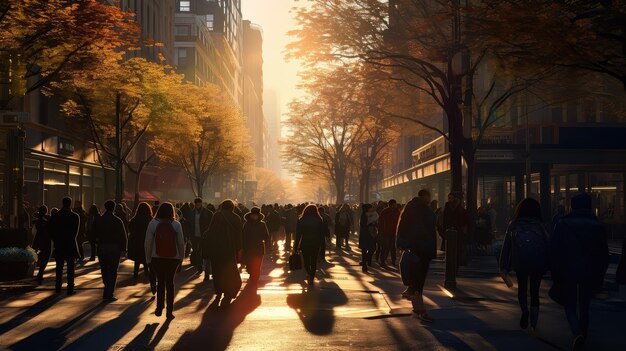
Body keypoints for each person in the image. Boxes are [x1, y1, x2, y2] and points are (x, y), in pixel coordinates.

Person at [551, 193, 609, 350]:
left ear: (572, 206)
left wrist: (555, 272)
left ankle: (577, 333)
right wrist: (600, 275)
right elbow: (603, 254)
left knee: (570, 304)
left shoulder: (563, 223)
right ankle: (583, 333)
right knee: (585, 305)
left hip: (568, 269)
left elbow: (555, 250)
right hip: (589, 270)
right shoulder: (597, 225)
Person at [499, 198, 548, 331]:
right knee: (534, 291)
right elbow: (548, 245)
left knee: (522, 289)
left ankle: (525, 311)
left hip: (520, 262)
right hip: (537, 262)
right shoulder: (540, 225)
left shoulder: (514, 225)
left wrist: (504, 266)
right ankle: (534, 323)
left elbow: (506, 247)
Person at [396, 189, 437, 322]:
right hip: (418, 247)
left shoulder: (422, 208)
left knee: (418, 281)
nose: (429, 198)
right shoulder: (416, 209)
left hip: (422, 247)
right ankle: (419, 308)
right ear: (423, 196)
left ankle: (416, 302)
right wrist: (404, 243)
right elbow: (403, 227)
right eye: (428, 196)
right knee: (418, 281)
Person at [145, 202, 185, 319]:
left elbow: (147, 242)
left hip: (156, 257)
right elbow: (181, 243)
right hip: (173, 258)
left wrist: (148, 258)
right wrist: (181, 258)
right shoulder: (176, 224)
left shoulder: (153, 223)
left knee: (160, 282)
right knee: (170, 283)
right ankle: (170, 311)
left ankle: (159, 307)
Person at [204, 199, 243, 305]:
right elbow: (239, 236)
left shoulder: (217, 216)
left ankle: (219, 291)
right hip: (229, 250)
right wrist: (239, 249)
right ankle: (228, 293)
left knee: (217, 272)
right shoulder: (236, 218)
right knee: (230, 271)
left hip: (216, 249)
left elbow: (210, 232)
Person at [94, 200, 128, 302]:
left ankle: (106, 289)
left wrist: (96, 242)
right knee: (113, 270)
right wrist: (124, 248)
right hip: (114, 247)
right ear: (113, 208)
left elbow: (93, 233)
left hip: (102, 246)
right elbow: (123, 235)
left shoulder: (99, 220)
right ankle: (109, 292)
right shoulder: (117, 220)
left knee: (104, 269)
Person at [48, 197, 80, 295]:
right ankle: (70, 287)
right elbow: (75, 232)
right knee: (70, 268)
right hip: (70, 244)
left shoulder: (55, 216)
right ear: (70, 204)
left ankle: (58, 287)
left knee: (59, 267)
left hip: (59, 244)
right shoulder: (75, 216)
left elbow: (50, 230)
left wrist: (56, 239)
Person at [295, 204, 326, 286]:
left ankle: (309, 273)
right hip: (316, 243)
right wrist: (323, 246)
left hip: (305, 243)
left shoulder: (302, 220)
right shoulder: (319, 220)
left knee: (306, 261)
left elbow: (298, 235)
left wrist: (295, 247)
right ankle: (311, 277)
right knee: (314, 261)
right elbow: (322, 234)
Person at [129, 202, 156, 292]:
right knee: (146, 257)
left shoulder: (134, 219)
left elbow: (130, 228)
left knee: (137, 258)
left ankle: (135, 273)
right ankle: (146, 273)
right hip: (147, 241)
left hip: (136, 241)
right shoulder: (150, 220)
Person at [242, 207, 270, 285]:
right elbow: (243, 236)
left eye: (256, 215)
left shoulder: (262, 224)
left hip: (259, 248)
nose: (254, 216)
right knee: (249, 265)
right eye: (253, 215)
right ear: (250, 215)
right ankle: (252, 275)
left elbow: (266, 236)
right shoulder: (246, 224)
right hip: (248, 248)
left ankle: (255, 279)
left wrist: (267, 245)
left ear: (258, 215)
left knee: (257, 265)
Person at [442, 193, 468, 265]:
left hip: (456, 233)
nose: (450, 200)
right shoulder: (449, 209)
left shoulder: (449, 208)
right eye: (449, 198)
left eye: (451, 198)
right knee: (452, 251)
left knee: (455, 251)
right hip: (452, 233)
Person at [190, 198, 212, 276]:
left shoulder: (207, 213)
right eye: (197, 204)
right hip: (195, 236)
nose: (198, 206)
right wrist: (189, 237)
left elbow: (211, 224)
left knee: (206, 253)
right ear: (195, 204)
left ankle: (207, 270)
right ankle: (199, 269)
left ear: (201, 204)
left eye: (199, 204)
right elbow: (190, 225)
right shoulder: (192, 213)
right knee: (197, 252)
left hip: (204, 236)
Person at [377, 199, 401, 267]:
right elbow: (380, 222)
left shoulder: (397, 212)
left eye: (395, 204)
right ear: (390, 205)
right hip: (386, 232)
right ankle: (383, 261)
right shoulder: (385, 212)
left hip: (394, 232)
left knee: (393, 247)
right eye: (394, 204)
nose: (395, 206)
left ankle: (393, 261)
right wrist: (381, 231)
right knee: (385, 247)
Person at [32, 206, 51, 285]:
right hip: (46, 240)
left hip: (38, 240)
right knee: (45, 257)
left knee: (37, 256)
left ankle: (38, 272)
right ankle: (40, 273)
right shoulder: (47, 220)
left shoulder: (37, 220)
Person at [359, 204, 378, 273]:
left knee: (373, 248)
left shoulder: (374, 214)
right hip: (365, 235)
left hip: (371, 234)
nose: (372, 209)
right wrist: (371, 224)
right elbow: (363, 225)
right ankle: (364, 265)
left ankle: (365, 261)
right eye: (370, 208)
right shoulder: (364, 215)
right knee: (364, 251)